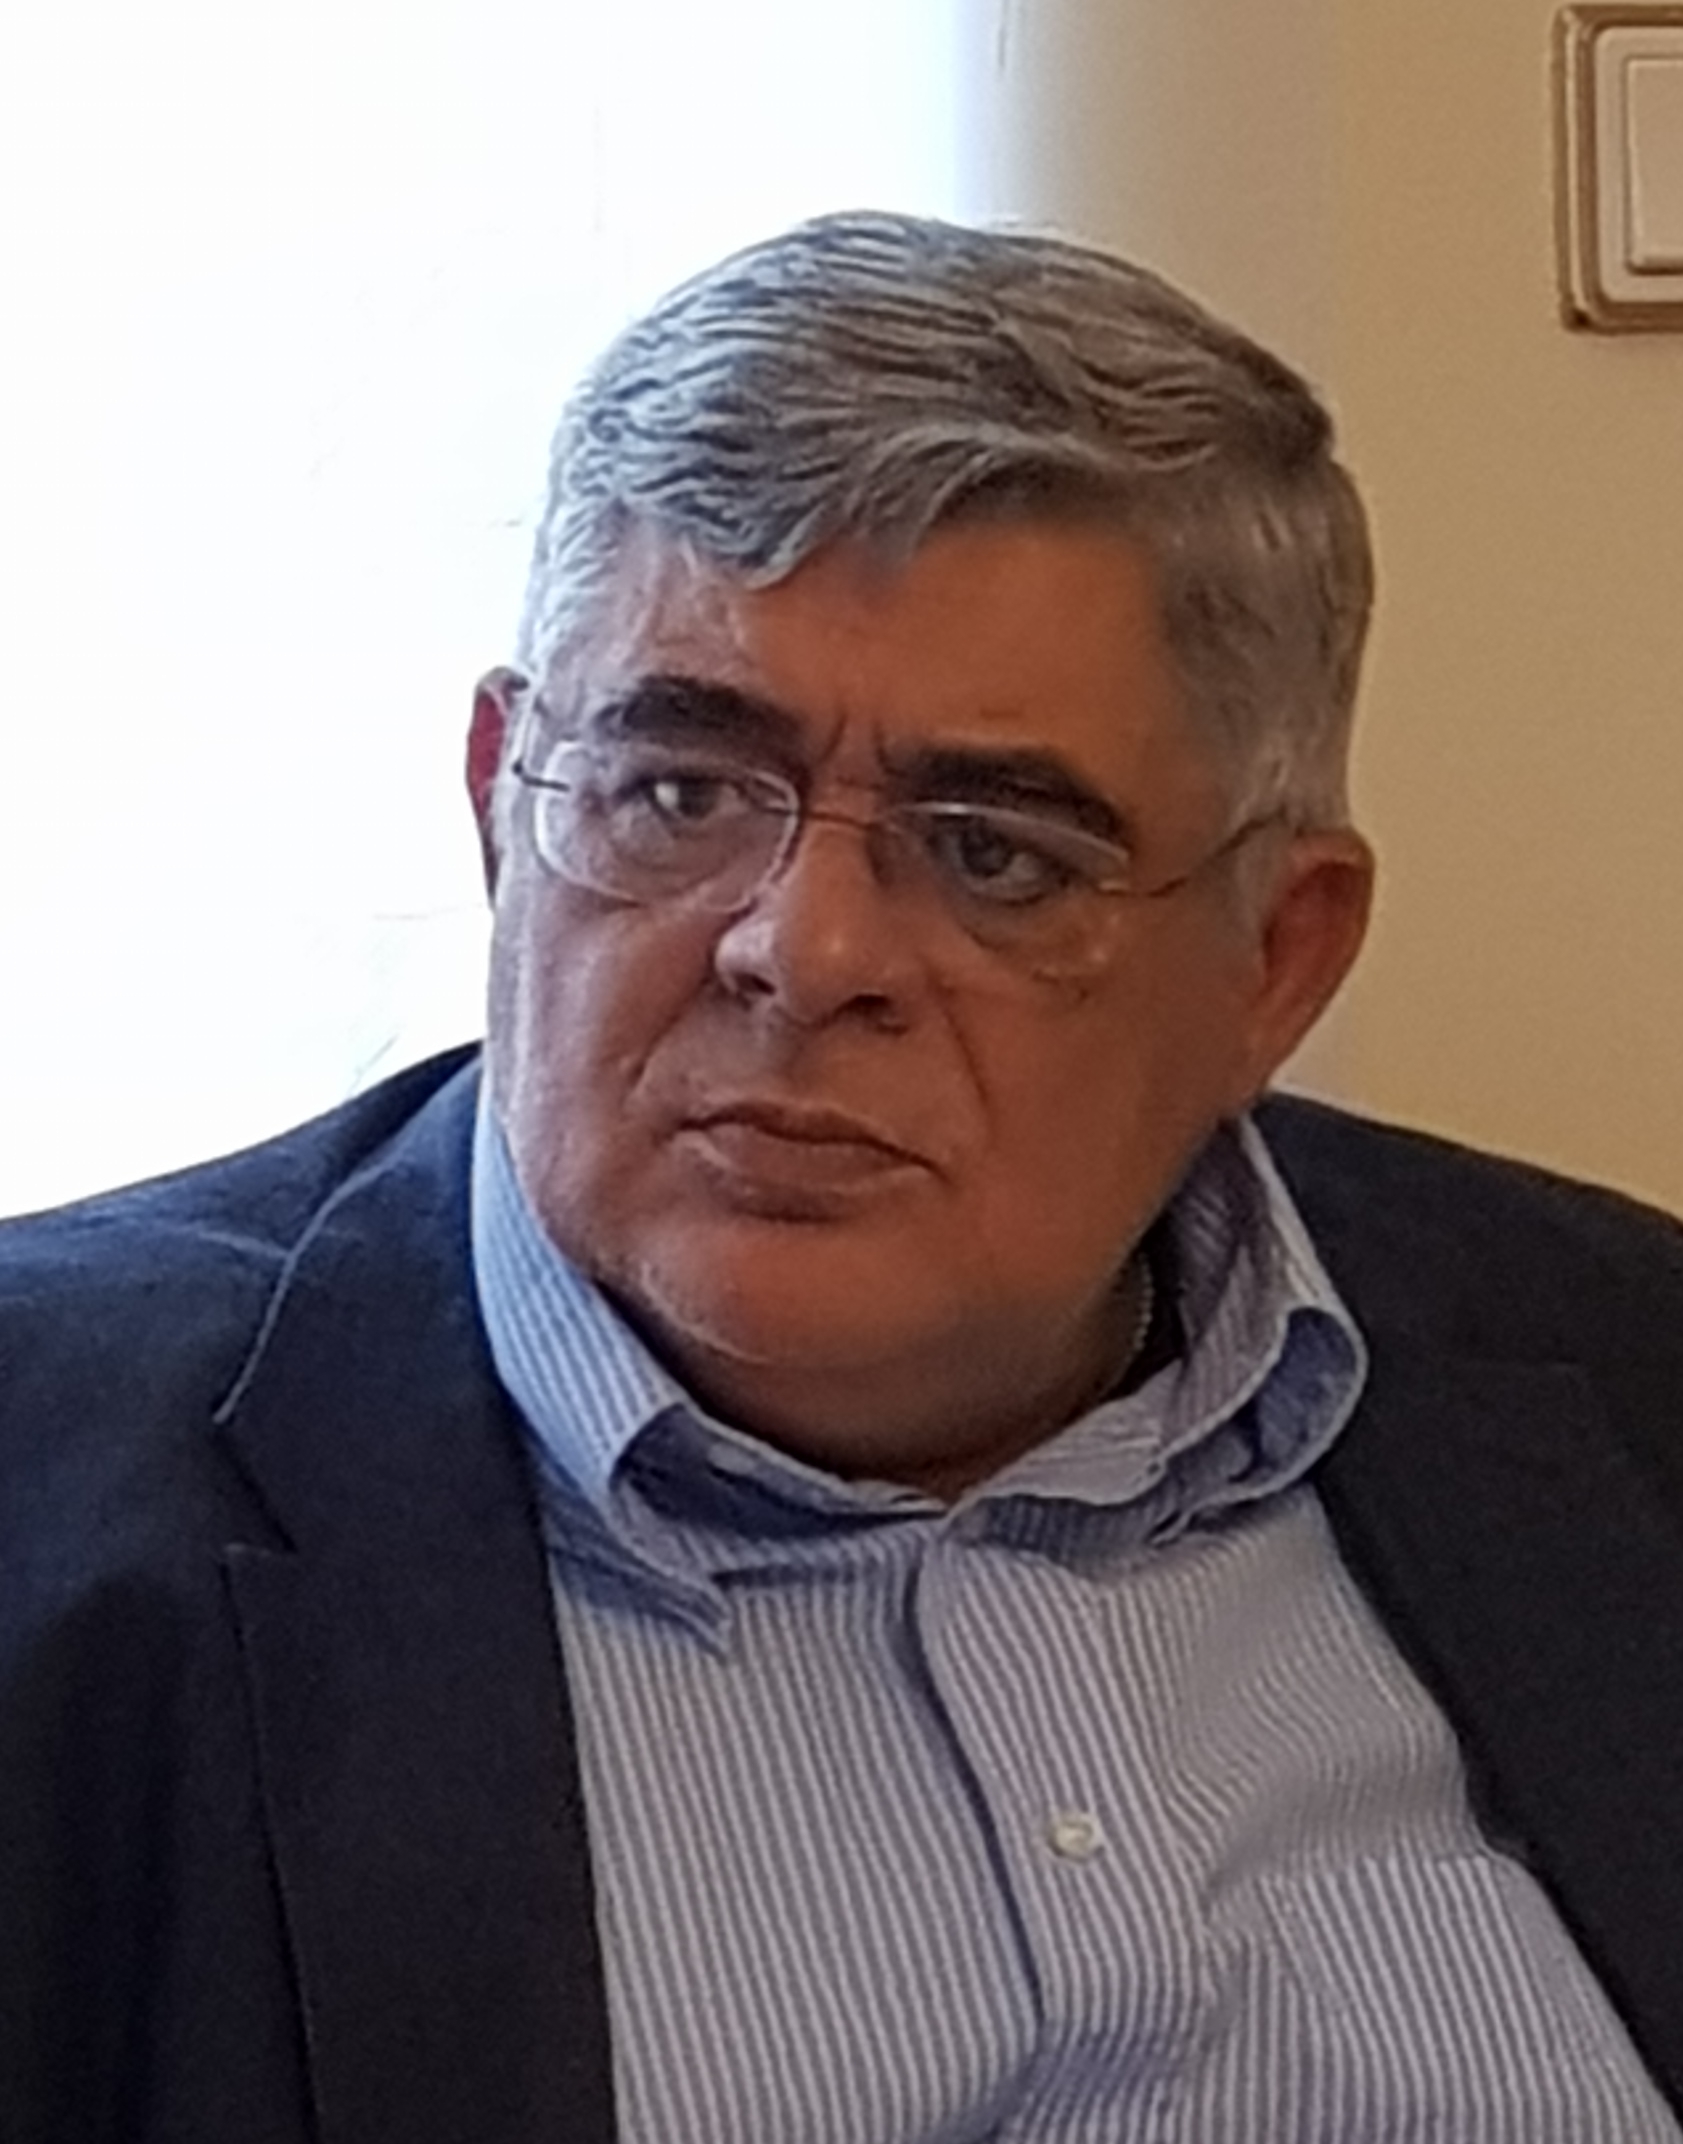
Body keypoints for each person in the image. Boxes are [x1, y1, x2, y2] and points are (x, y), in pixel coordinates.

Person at [4, 210, 1683, 2144]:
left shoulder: (1627, 1391)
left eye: (993, 853)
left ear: (1275, 960)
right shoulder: (47, 1491)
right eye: (680, 792)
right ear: (499, 803)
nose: (800, 955)